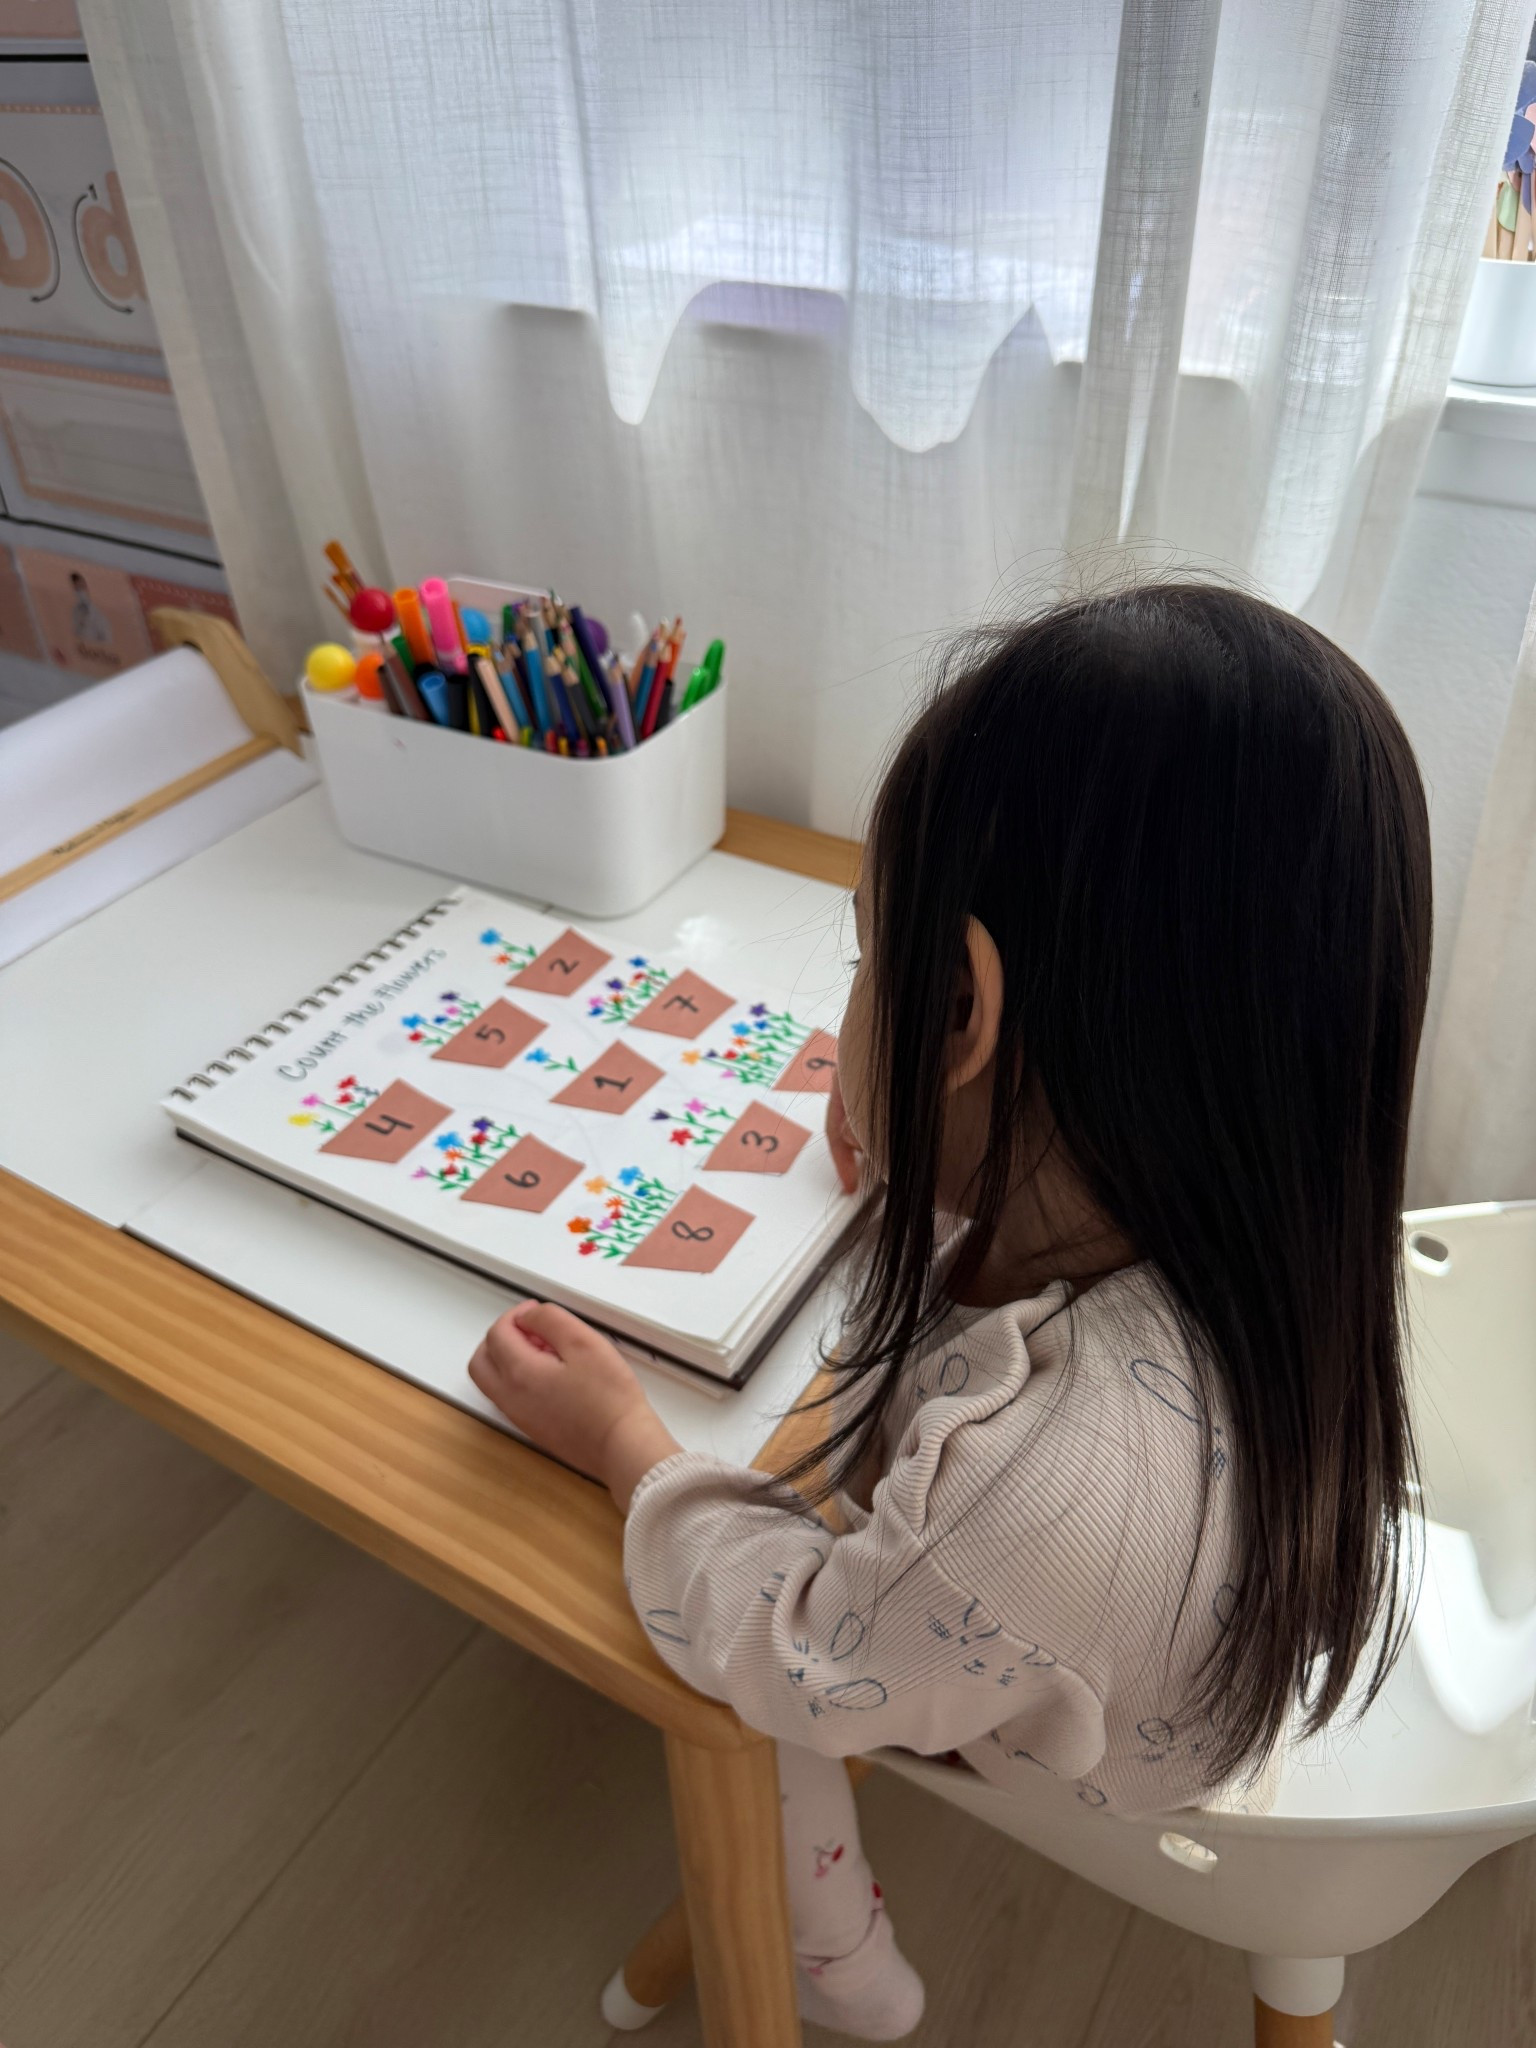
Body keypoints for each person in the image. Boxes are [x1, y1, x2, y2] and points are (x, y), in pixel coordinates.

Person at [469, 583, 1432, 2040]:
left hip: (1116, 1739)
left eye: (869, 961)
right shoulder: (1279, 1226)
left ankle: (842, 1959)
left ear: (966, 1012)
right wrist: (926, 1145)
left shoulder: (1032, 1498)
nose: (858, 995)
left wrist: (623, 1441)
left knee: (739, 1679)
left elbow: (797, 1644)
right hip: (1214, 1618)